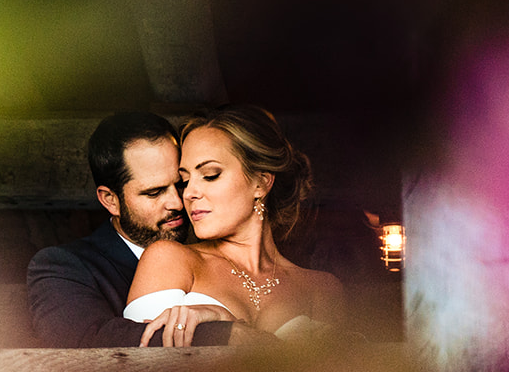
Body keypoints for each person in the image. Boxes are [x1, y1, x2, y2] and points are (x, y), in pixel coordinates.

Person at [124, 105, 344, 347]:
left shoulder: (322, 289)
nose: (189, 193)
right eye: (185, 180)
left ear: (261, 183)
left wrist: (229, 325)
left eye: (210, 175)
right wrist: (222, 332)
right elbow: (136, 368)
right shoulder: (168, 259)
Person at [28, 111, 251, 347]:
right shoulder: (62, 266)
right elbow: (85, 345)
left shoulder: (213, 250)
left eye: (180, 184)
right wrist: (222, 333)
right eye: (154, 192)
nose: (177, 202)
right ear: (110, 200)